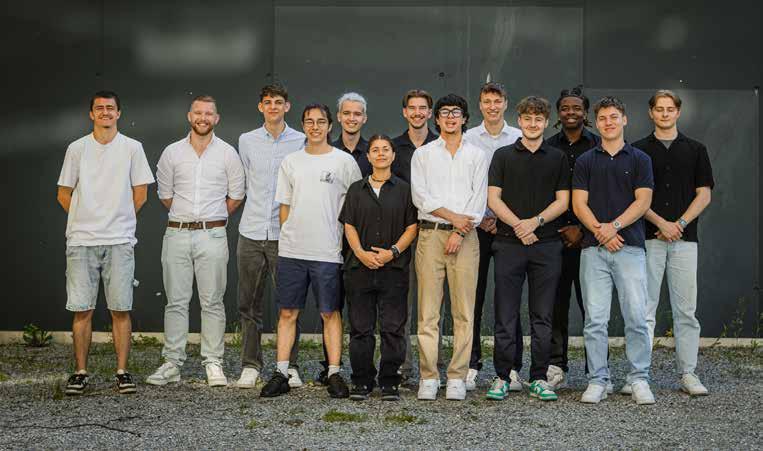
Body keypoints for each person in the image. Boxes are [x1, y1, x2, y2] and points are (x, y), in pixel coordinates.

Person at [260, 104, 361, 398]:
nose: (315, 127)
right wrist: (288, 236)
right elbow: (285, 205)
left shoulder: (344, 162)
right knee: (287, 312)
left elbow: (355, 205)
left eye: (320, 122)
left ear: (330, 126)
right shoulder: (291, 161)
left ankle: (334, 373)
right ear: (303, 125)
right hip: (293, 251)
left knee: (330, 312)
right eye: (309, 122)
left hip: (328, 251)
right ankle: (281, 372)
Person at [57, 90, 155, 395]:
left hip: (119, 240)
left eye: (110, 108)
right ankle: (80, 372)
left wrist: (117, 219)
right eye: (99, 108)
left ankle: (122, 372)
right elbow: (63, 193)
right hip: (81, 242)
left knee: (120, 309)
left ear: (118, 113)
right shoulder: (77, 148)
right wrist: (86, 218)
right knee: (82, 309)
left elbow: (141, 194)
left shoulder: (132, 148)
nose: (105, 112)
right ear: (91, 114)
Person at [147, 95, 245, 387]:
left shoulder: (228, 154)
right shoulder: (172, 153)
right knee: (176, 302)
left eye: (209, 114)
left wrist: (209, 218)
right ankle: (172, 363)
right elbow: (166, 195)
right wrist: (188, 218)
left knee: (212, 301)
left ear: (217, 119)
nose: (203, 118)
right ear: (190, 116)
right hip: (177, 234)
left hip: (212, 235)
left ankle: (213, 362)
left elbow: (236, 195)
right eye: (198, 113)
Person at [572, 96, 656, 405]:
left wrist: (614, 227)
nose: (608, 122)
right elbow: (578, 203)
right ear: (597, 123)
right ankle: (598, 380)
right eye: (603, 118)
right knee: (595, 319)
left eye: (614, 117)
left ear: (624, 120)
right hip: (593, 250)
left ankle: (639, 379)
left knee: (636, 317)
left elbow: (643, 201)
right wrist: (600, 231)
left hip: (630, 248)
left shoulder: (640, 159)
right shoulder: (586, 160)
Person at [486, 96, 569, 401]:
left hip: (546, 246)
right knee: (505, 314)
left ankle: (538, 378)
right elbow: (493, 198)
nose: (533, 124)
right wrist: (519, 226)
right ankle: (503, 376)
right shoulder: (503, 155)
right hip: (509, 244)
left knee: (542, 315)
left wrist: (534, 222)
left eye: (538, 119)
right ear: (519, 121)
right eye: (527, 118)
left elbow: (563, 201)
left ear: (546, 123)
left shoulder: (557, 157)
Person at [634, 89, 714, 396]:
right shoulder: (638, 150)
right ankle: (639, 375)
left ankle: (688, 373)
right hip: (649, 238)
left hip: (685, 239)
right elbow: (635, 197)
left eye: (670, 109)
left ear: (678, 112)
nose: (665, 114)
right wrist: (661, 224)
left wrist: (678, 224)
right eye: (659, 109)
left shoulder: (696, 150)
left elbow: (704, 194)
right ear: (651, 112)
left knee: (686, 311)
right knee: (645, 309)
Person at [411, 94, 488, 401]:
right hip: (430, 236)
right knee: (428, 312)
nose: (451, 117)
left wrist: (459, 228)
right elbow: (421, 197)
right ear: (437, 118)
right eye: (445, 112)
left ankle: (457, 376)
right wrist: (453, 219)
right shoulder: (423, 154)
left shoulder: (477, 155)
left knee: (463, 312)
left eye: (456, 112)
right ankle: (429, 376)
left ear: (464, 118)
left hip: (466, 238)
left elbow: (478, 201)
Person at [235, 84, 306, 389]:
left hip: (285, 234)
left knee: (289, 304)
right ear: (260, 107)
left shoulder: (301, 140)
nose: (273, 107)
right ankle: (251, 365)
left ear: (287, 106)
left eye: (278, 102)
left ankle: (289, 366)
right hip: (251, 231)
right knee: (248, 305)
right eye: (268, 102)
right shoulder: (246, 140)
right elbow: (243, 182)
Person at [341, 134, 418, 401]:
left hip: (393, 269)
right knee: (360, 328)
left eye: (386, 149)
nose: (381, 154)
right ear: (369, 156)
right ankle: (361, 381)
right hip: (359, 268)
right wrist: (360, 253)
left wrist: (392, 252)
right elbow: (349, 225)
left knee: (392, 328)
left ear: (393, 155)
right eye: (375, 150)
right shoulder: (356, 189)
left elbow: (412, 227)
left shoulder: (405, 190)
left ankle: (389, 381)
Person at [463, 82, 524, 392]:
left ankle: (512, 367)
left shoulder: (519, 137)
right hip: (476, 228)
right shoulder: (468, 138)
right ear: (480, 104)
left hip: (509, 228)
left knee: (508, 300)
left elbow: (522, 186)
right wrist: (481, 217)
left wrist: (501, 218)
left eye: (497, 101)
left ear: (505, 103)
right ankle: (471, 364)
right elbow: (464, 183)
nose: (492, 106)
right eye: (486, 101)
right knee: (472, 298)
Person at [545, 86, 602, 389]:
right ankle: (556, 366)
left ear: (585, 112)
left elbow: (605, 192)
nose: (571, 112)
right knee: (556, 304)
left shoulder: (598, 145)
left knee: (592, 305)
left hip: (589, 237)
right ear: (558, 112)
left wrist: (583, 228)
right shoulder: (548, 146)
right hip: (555, 237)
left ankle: (597, 369)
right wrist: (562, 227)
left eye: (576, 108)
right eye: (565, 108)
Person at [391, 89, 439, 381]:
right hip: (402, 234)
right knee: (402, 303)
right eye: (413, 108)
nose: (418, 112)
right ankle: (402, 365)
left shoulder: (441, 145)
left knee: (432, 306)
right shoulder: (394, 148)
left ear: (430, 113)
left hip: (434, 231)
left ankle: (431, 367)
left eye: (423, 108)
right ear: (405, 112)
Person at [333, 92, 371, 177]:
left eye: (357, 114)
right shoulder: (329, 151)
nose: (351, 118)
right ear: (339, 116)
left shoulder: (372, 152)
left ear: (364, 118)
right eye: (346, 113)